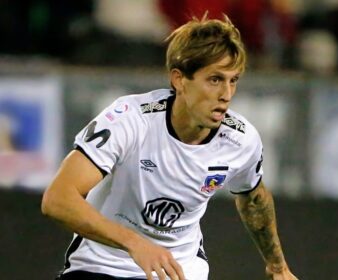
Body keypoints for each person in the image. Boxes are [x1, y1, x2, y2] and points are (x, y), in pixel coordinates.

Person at [41, 14, 297, 280]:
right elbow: (58, 199)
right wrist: (135, 243)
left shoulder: (241, 141)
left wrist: (277, 267)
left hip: (179, 271)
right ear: (179, 79)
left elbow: (253, 198)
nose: (226, 94)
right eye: (214, 79)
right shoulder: (129, 119)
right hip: (102, 266)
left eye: (233, 80)